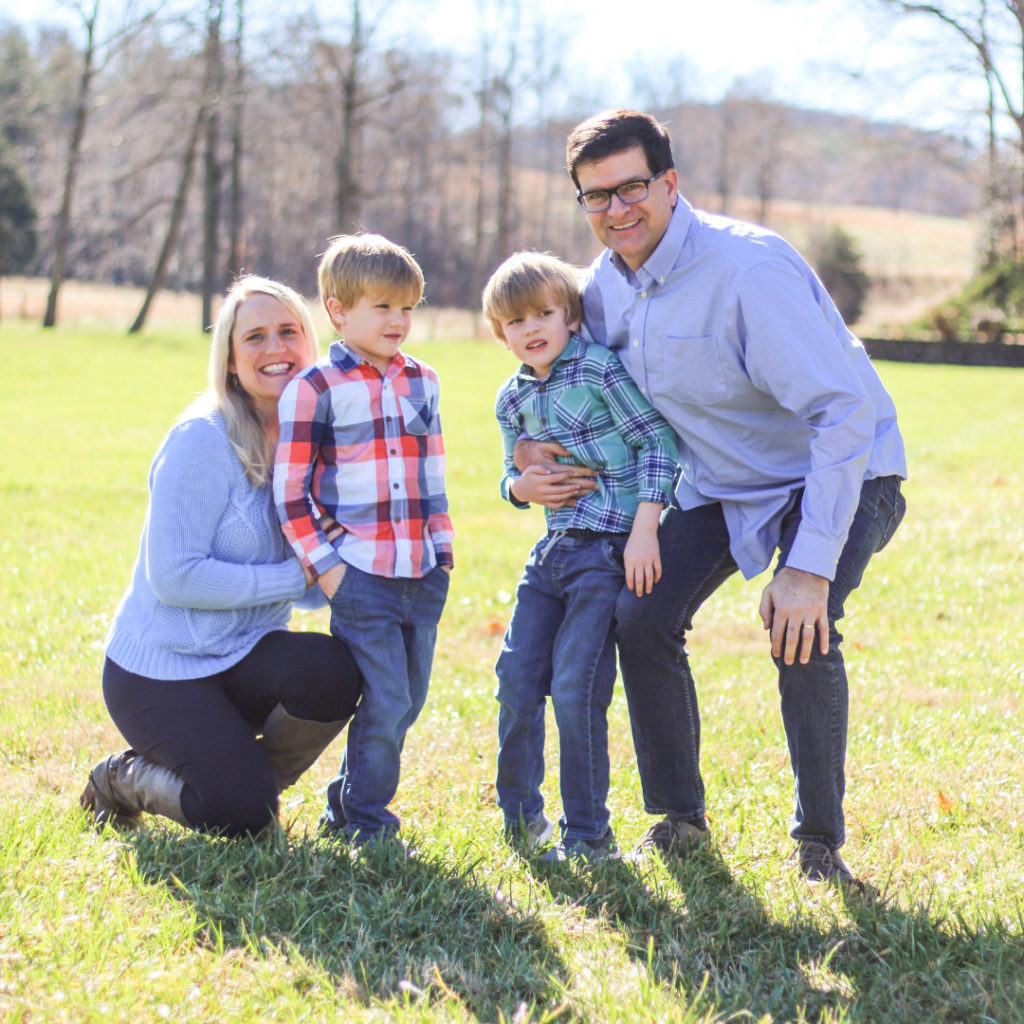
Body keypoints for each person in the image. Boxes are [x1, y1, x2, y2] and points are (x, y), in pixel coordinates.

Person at [512, 110, 907, 886]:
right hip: (724, 482)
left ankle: (819, 844)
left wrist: (808, 566)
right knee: (641, 611)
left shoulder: (747, 272)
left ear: (670, 182)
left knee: (803, 623)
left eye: (632, 187)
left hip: (840, 470)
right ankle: (681, 818)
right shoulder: (601, 291)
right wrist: (524, 455)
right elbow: (557, 374)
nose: (617, 209)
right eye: (596, 197)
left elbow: (842, 414)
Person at [81, 277, 363, 836]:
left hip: (244, 656)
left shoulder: (315, 441)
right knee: (242, 819)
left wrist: (336, 550)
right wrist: (292, 573)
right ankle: (122, 778)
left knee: (335, 671)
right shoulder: (202, 439)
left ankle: (238, 781)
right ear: (231, 360)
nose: (275, 348)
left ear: (310, 346)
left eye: (288, 332)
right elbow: (174, 577)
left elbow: (307, 591)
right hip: (158, 672)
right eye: (254, 336)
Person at [486, 252, 678, 865]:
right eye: (516, 321)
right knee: (515, 681)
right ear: (501, 332)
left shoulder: (598, 369)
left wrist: (646, 529)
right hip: (551, 555)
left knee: (575, 688)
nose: (531, 328)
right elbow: (514, 475)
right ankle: (522, 824)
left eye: (544, 313)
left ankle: (589, 836)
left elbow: (657, 439)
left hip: (607, 552)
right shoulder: (510, 399)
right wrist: (519, 487)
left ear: (570, 316)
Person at [274, 234, 454, 848]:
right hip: (361, 577)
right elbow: (291, 491)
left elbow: (432, 472)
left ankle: (344, 806)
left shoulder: (423, 380)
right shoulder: (316, 388)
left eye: (407, 307)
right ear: (339, 311)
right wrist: (328, 570)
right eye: (383, 307)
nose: (399, 321)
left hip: (420, 571)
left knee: (406, 704)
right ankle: (371, 825)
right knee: (385, 697)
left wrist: (444, 554)